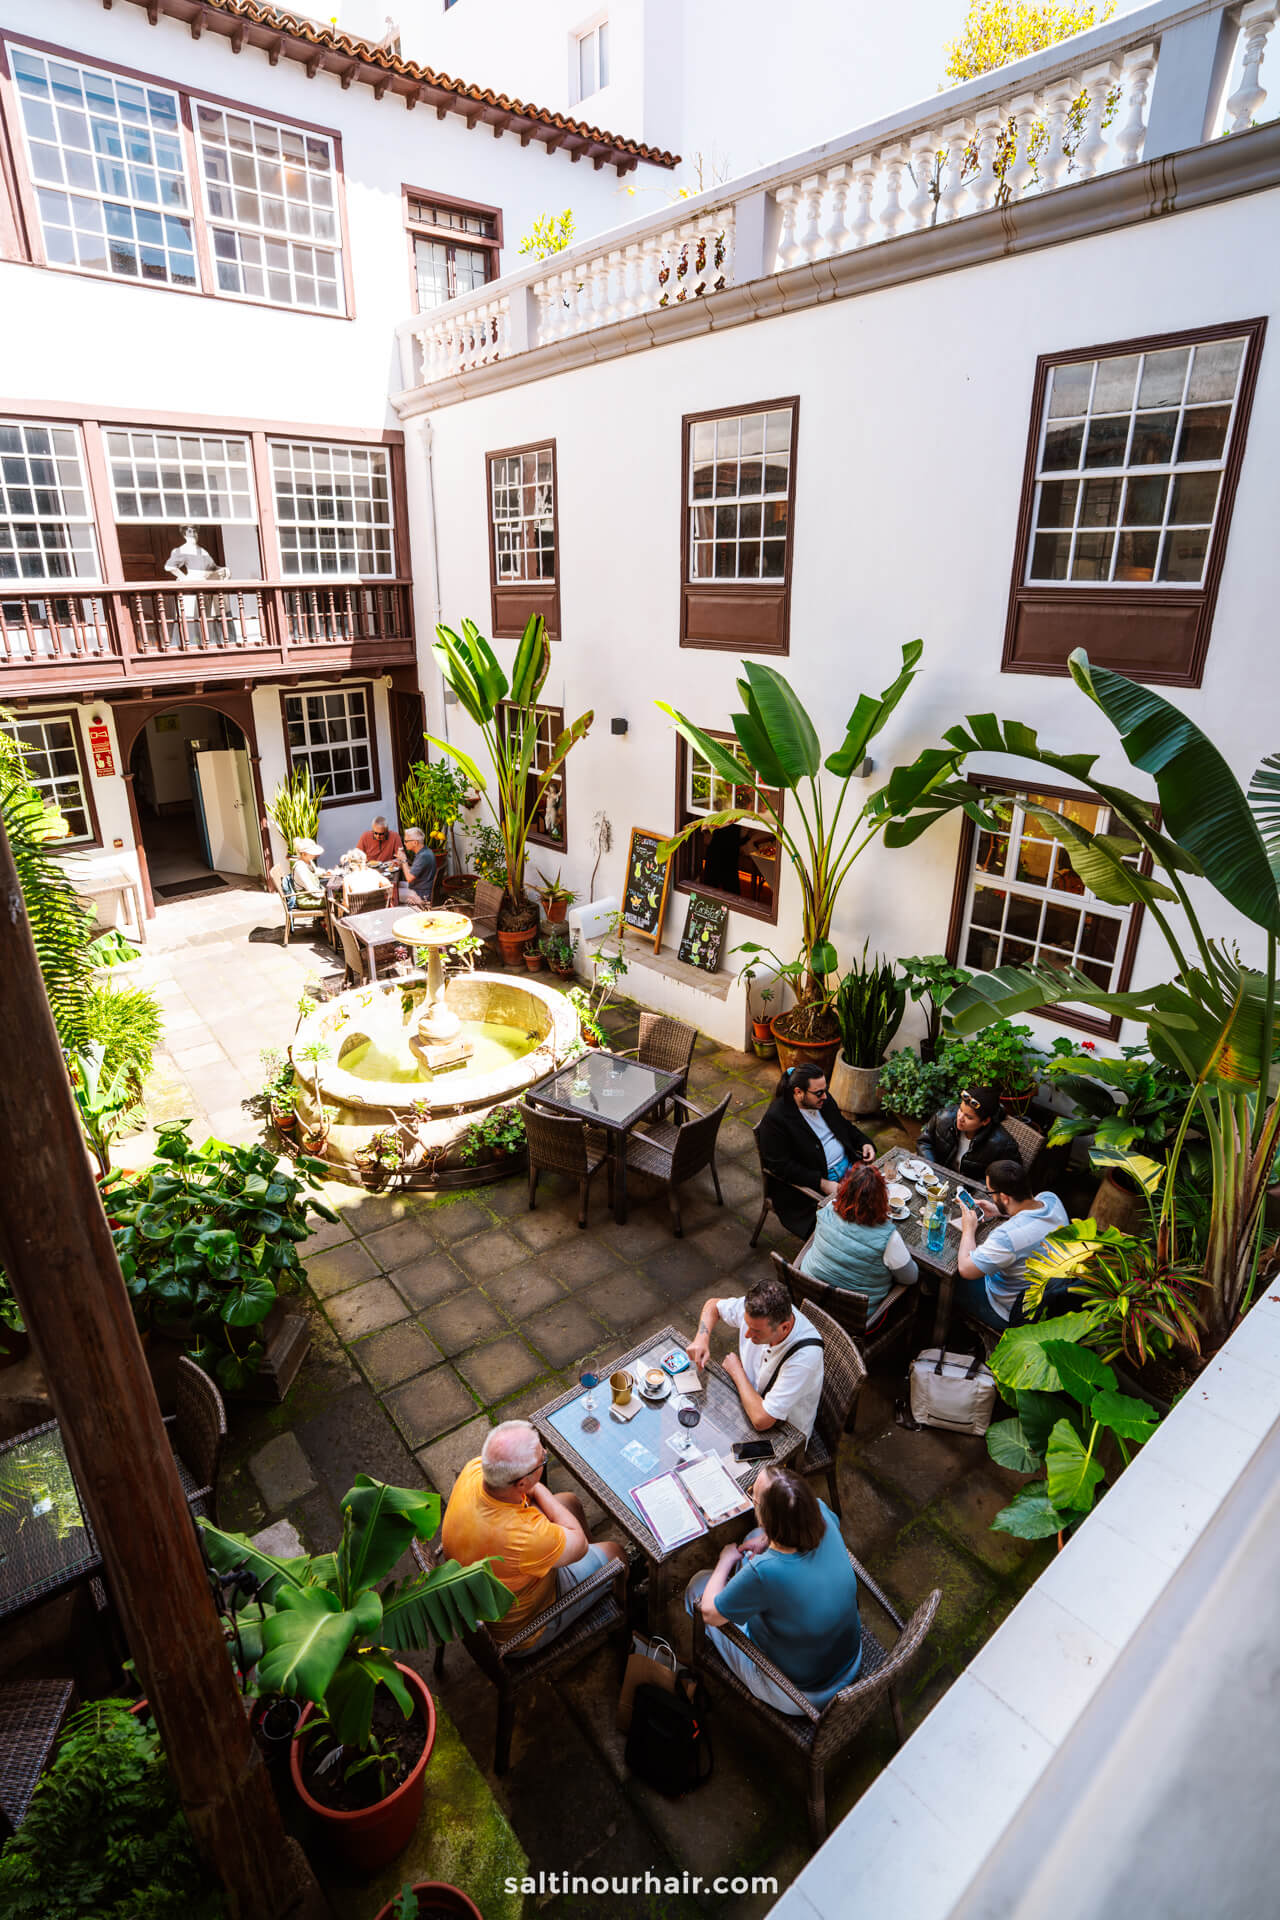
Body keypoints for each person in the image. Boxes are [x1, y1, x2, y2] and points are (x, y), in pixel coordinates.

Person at [684, 1465, 861, 1714]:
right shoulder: (820, 1510)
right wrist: (766, 1539)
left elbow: (709, 1613)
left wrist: (725, 1560)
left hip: (799, 1693)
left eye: (753, 1497)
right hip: (849, 1659)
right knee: (755, 1535)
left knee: (698, 1586)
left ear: (766, 1515)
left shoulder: (766, 1571)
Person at [440, 1421, 626, 1651]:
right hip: (523, 1630)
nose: (545, 1454)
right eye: (542, 1459)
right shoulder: (525, 1537)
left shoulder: (474, 1470)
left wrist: (532, 1485)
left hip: (487, 1583)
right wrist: (536, 1487)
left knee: (569, 1501)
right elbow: (580, 1544)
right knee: (617, 1553)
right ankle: (623, 1609)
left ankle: (587, 1571)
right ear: (521, 1483)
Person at [688, 1274, 824, 1441]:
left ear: (785, 1327)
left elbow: (762, 1420)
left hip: (785, 1433)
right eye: (747, 1324)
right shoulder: (758, 1310)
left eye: (756, 1331)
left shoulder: (805, 1359)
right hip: (745, 1399)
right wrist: (702, 1337)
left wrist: (737, 1371)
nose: (746, 1334)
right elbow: (712, 1306)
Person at [756, 1061, 876, 1238]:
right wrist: (823, 1183)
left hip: (851, 1165)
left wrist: (864, 1143)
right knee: (862, 1225)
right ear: (798, 1092)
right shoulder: (776, 1120)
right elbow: (780, 1166)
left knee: (882, 1203)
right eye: (819, 1093)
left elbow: (843, 1125)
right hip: (821, 1181)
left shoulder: (822, 1101)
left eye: (825, 1090)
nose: (825, 1097)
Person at [954, 1157, 1069, 1330]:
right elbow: (1031, 1218)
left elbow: (965, 1269)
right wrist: (1001, 1211)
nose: (991, 1198)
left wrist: (968, 1228)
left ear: (1005, 1197)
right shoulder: (1051, 1199)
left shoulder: (1007, 1237)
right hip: (1047, 1292)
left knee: (948, 1278)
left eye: (991, 1193)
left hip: (1008, 1309)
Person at [799, 1160, 919, 1305]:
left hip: (808, 1293)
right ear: (882, 1199)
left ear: (844, 1190)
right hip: (851, 1315)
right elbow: (910, 1277)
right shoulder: (889, 1239)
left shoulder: (828, 1209)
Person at [918, 1085, 1021, 1178]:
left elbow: (1006, 1179)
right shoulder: (943, 1117)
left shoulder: (1003, 1145)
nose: (960, 1118)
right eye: (961, 1110)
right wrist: (934, 1171)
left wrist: (974, 1190)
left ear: (985, 1121)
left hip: (970, 1193)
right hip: (936, 1177)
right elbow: (924, 1142)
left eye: (969, 1117)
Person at [339, 847, 391, 914]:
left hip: (358, 917)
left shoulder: (347, 879)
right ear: (365, 861)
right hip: (377, 912)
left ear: (350, 864)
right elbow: (388, 885)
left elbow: (346, 904)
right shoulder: (373, 873)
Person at [398, 825, 437, 907]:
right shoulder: (425, 851)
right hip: (421, 886)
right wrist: (402, 864)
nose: (404, 843)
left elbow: (409, 878)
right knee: (397, 885)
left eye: (406, 841)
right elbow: (413, 872)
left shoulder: (423, 856)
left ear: (415, 842)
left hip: (421, 894)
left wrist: (404, 860)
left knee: (391, 891)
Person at [289, 837, 327, 908]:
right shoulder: (300, 867)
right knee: (335, 900)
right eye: (312, 853)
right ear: (304, 854)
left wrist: (326, 873)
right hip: (306, 899)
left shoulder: (308, 862)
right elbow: (311, 888)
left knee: (337, 896)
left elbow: (315, 872)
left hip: (312, 895)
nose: (315, 855)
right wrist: (325, 894)